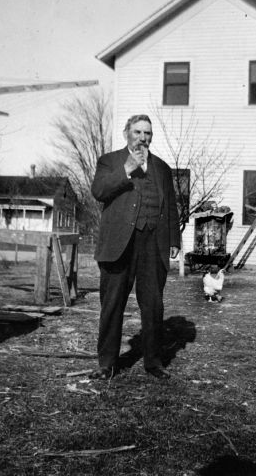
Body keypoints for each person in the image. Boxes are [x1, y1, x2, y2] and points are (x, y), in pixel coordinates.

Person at [91, 114, 180, 380]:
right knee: (113, 303)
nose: (143, 138)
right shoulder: (110, 161)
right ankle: (107, 363)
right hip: (120, 244)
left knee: (153, 305)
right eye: (138, 132)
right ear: (126, 133)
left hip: (153, 243)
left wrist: (174, 239)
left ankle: (153, 363)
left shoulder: (162, 168)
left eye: (148, 133)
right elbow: (99, 191)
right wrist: (126, 169)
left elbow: (172, 207)